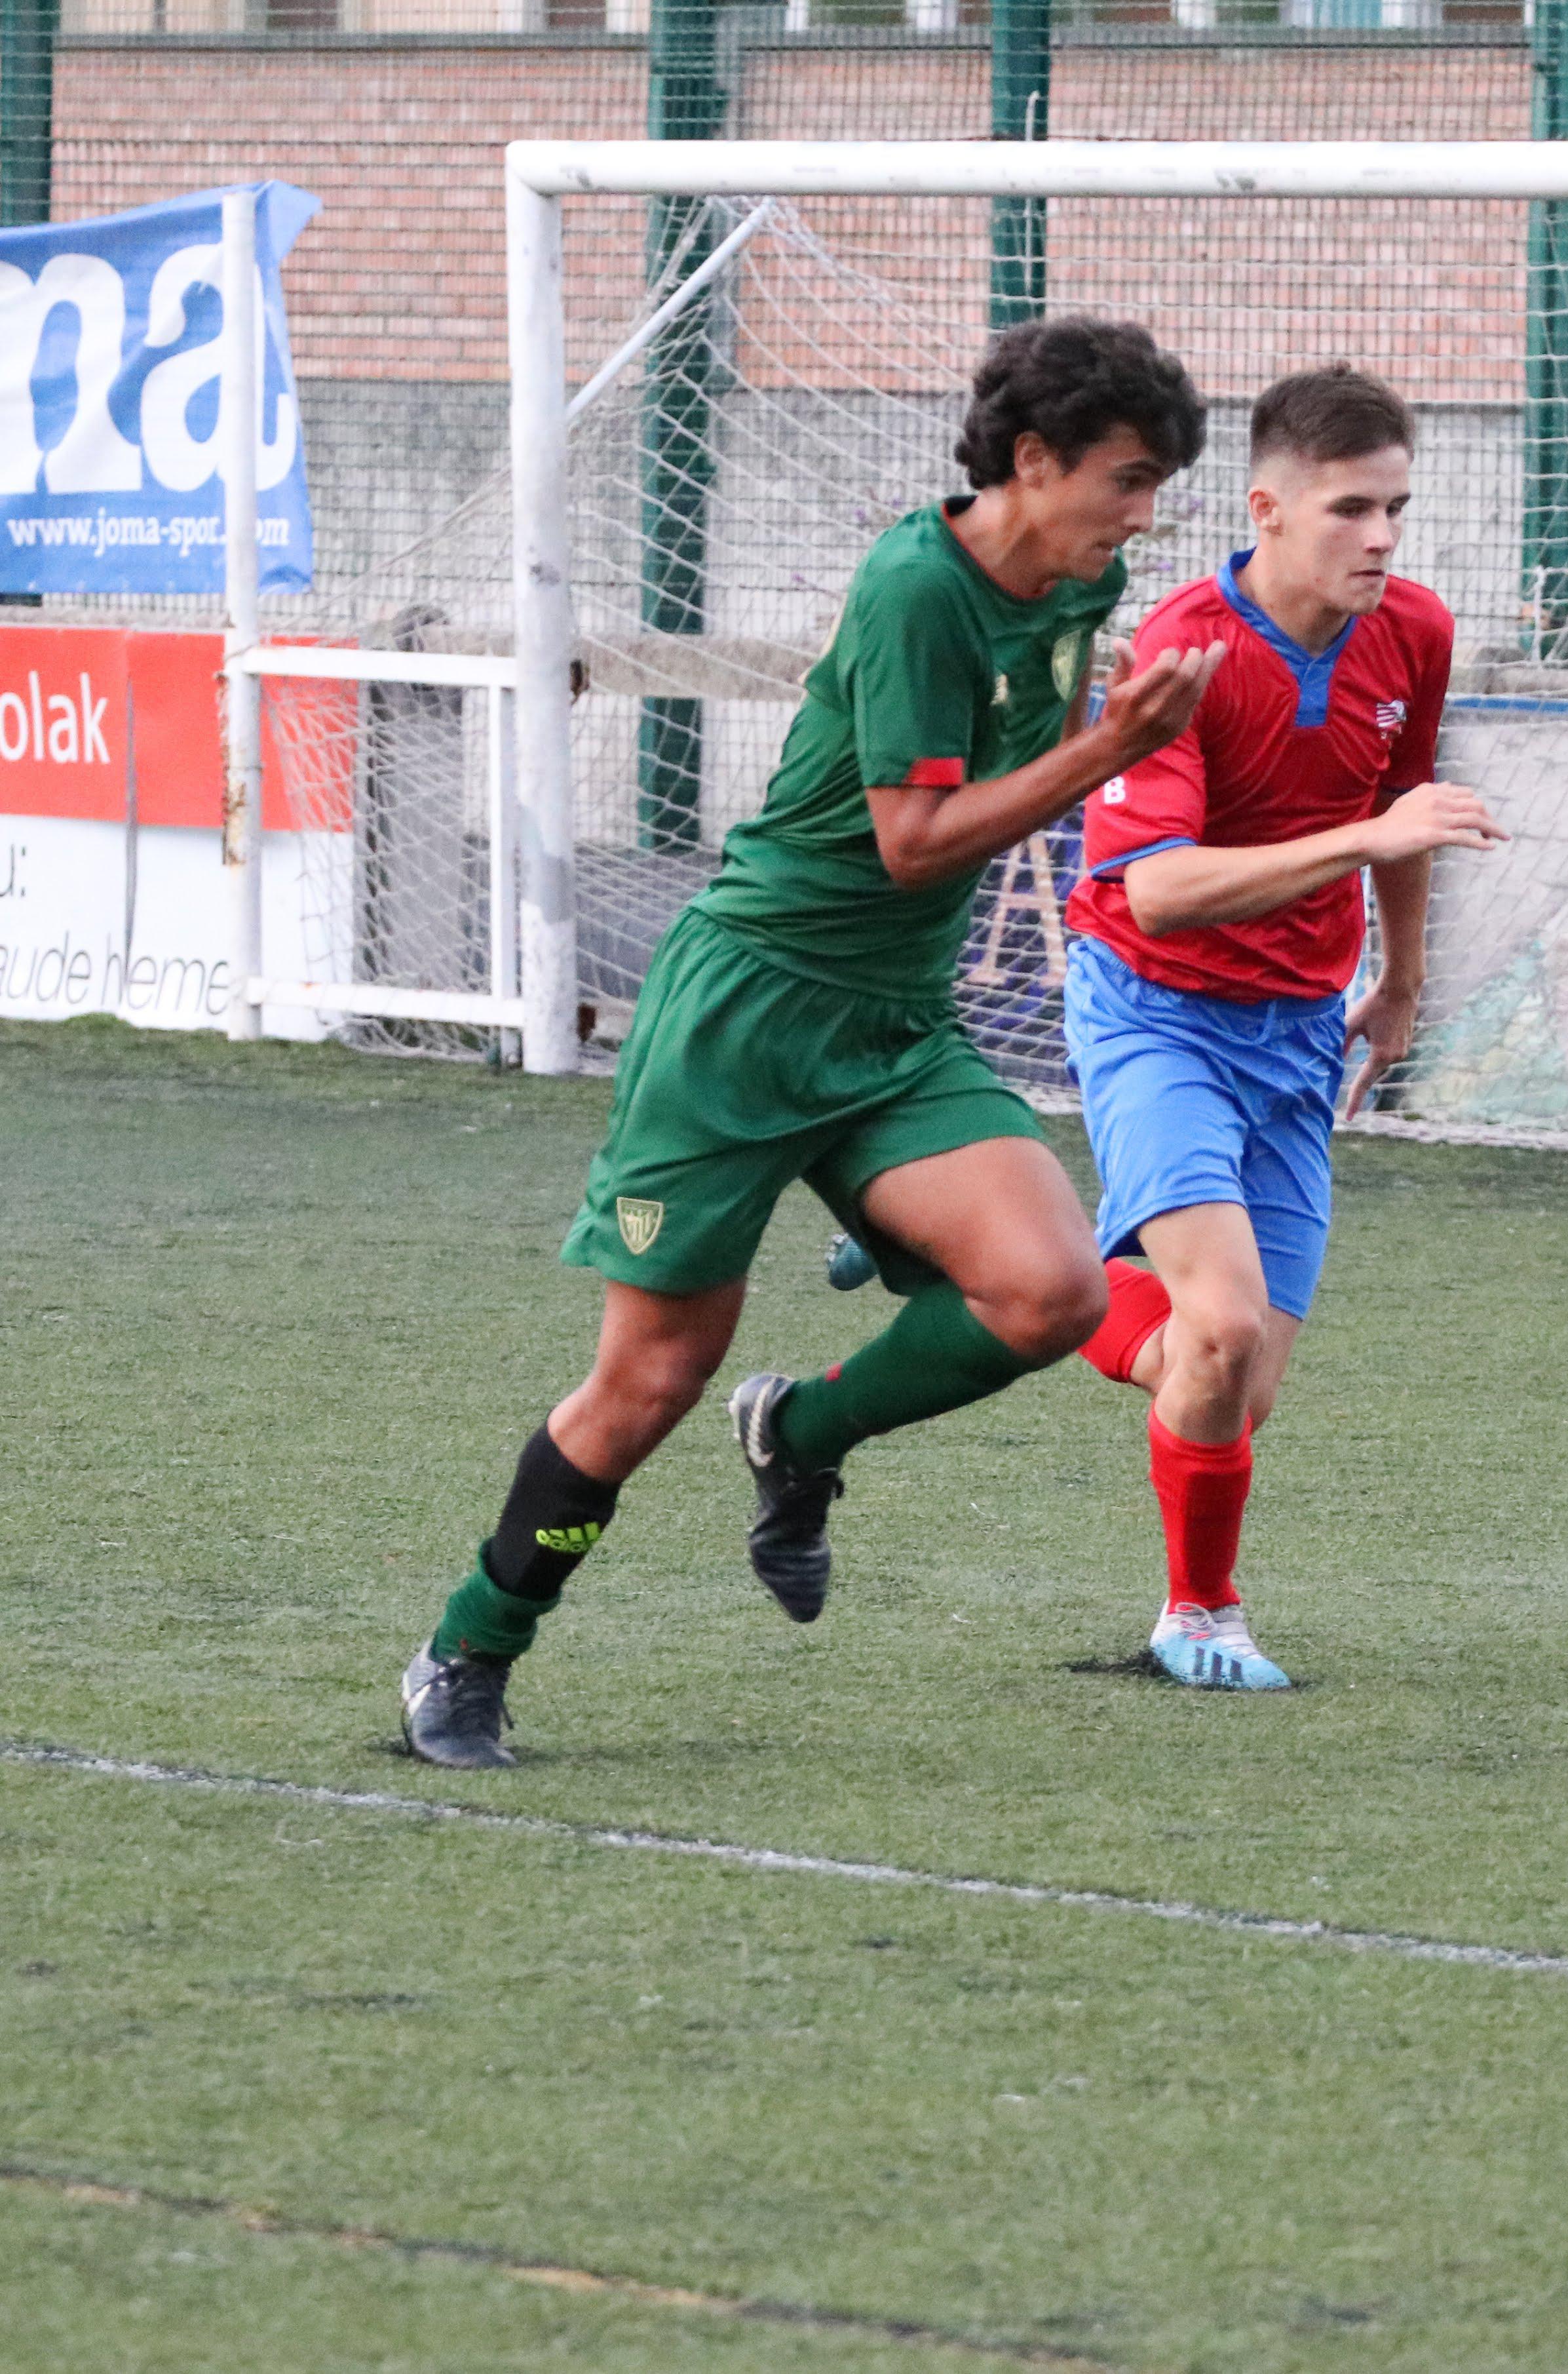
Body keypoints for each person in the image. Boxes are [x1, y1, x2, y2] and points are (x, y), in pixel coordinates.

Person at [400, 315, 1223, 1770]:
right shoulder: (918, 585)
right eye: (1129, 477)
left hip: (896, 1023)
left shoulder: (1087, 585)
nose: (1145, 512)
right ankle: (470, 1648)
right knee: (650, 1378)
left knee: (1050, 1293)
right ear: (1032, 463)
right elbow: (910, 844)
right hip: (747, 1015)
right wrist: (1107, 754)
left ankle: (803, 1433)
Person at [1060, 362, 1504, 1689]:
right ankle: (1199, 1613)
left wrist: (1404, 977)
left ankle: (1009, 1281)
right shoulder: (1179, 654)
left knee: (1232, 1388)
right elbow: (1158, 888)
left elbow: (1406, 793)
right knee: (1222, 1328)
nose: (1380, 538)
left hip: (1299, 1028)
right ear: (1266, 508)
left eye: (1397, 510)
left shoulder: (1412, 631)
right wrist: (1367, 836)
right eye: (1351, 510)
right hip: (1156, 1009)